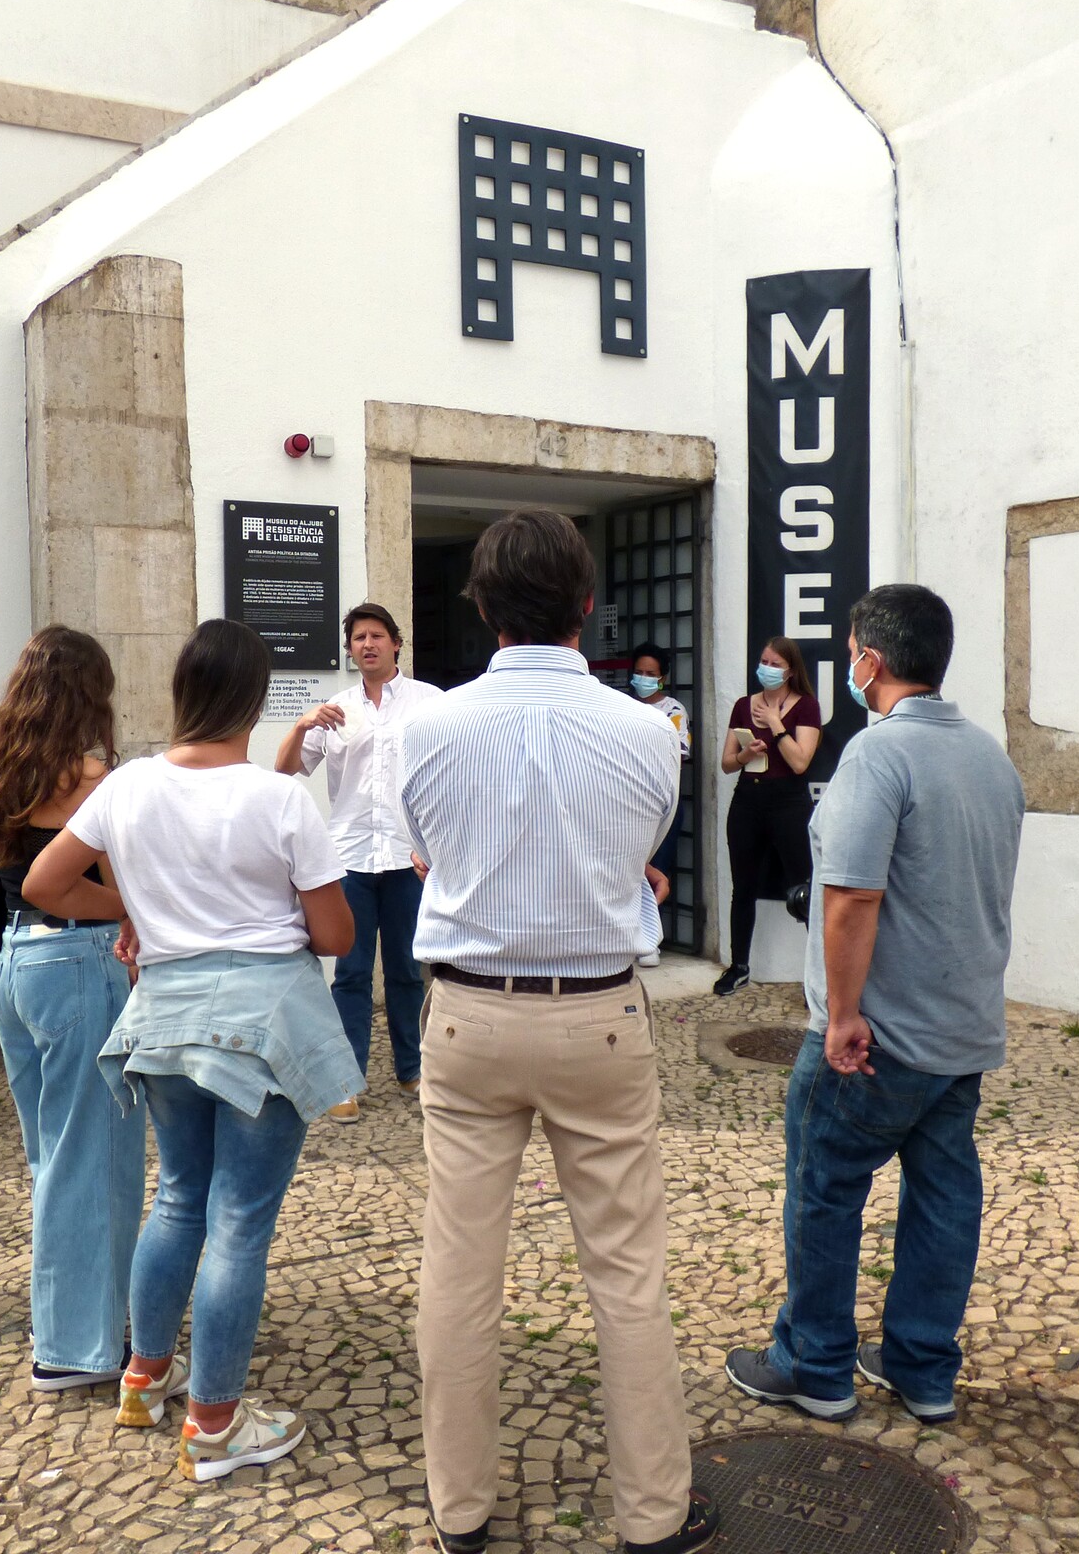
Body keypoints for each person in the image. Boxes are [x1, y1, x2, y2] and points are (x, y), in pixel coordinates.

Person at [400, 510, 713, 1554]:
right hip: (599, 1014)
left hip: (469, 1009)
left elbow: (426, 855)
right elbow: (638, 850)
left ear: (482, 607)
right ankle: (653, 1514)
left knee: (459, 1267)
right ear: (587, 604)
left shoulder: (430, 726)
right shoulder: (648, 730)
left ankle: (460, 1508)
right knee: (626, 1271)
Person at [24, 619, 360, 1482]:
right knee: (238, 1222)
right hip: (260, 1025)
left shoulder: (127, 785)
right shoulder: (279, 799)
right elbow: (335, 935)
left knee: (178, 1200)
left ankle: (145, 1379)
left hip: (164, 1017)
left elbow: (43, 883)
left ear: (182, 691)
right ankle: (214, 1425)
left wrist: (136, 913)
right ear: (253, 698)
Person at [723, 584, 1022, 1428]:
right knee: (944, 1197)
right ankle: (922, 1368)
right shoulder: (990, 757)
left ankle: (814, 1365)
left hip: (878, 1034)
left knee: (824, 1190)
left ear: (871, 661)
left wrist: (844, 1013)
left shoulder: (877, 754)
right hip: (961, 1028)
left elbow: (853, 894)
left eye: (853, 650)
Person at [0, 626, 143, 1392]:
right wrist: (131, 910)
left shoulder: (1, 765)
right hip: (76, 962)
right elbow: (96, 884)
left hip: (15, 963)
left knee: (54, 1158)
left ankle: (70, 1318)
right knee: (93, 1160)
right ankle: (76, 1348)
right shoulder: (91, 777)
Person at [275, 602, 443, 1119]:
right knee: (349, 972)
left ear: (396, 643)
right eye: (357, 638)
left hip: (407, 855)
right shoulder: (335, 709)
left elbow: (453, 770)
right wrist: (302, 724)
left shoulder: (430, 702)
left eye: (376, 636)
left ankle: (413, 1069)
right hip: (349, 858)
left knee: (407, 971)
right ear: (349, 650)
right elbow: (284, 771)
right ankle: (346, 1081)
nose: (367, 645)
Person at [712, 636, 821, 996]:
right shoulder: (744, 705)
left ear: (790, 670)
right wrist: (746, 755)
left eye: (775, 664)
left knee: (803, 889)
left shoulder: (806, 707)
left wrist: (776, 724)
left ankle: (820, 978)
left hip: (789, 802)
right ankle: (739, 966)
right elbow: (727, 763)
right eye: (764, 661)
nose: (767, 669)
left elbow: (800, 762)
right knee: (743, 887)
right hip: (748, 800)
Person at [629, 642, 692, 964]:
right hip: (627, 803)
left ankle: (650, 940)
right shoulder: (623, 706)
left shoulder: (673, 711)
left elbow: (677, 755)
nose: (643, 678)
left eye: (650, 673)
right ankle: (628, 935)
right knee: (627, 869)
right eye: (639, 672)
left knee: (658, 870)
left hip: (661, 804)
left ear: (662, 677)